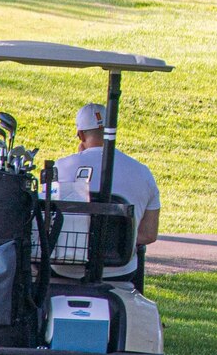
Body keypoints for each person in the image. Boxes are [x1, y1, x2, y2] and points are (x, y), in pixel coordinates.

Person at [48, 103, 161, 283]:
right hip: (119, 269)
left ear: (81, 134)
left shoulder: (61, 167)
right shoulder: (142, 172)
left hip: (65, 267)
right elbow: (149, 234)